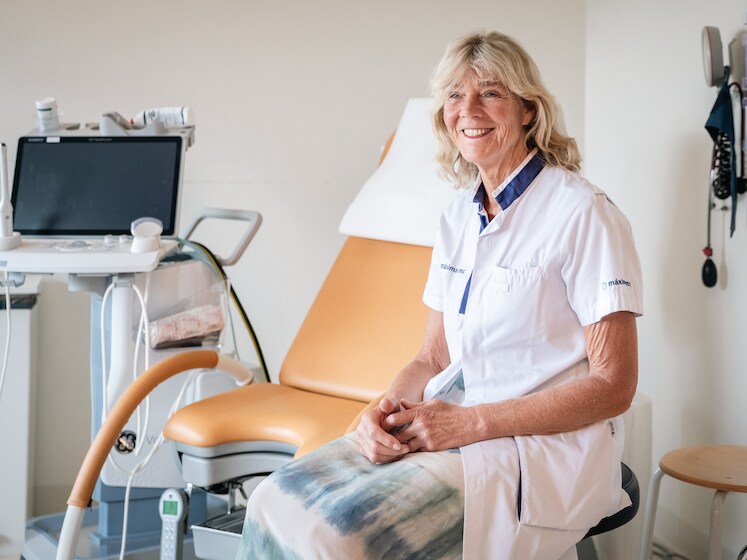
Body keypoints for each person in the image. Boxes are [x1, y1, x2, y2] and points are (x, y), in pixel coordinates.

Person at [236, 30, 642, 560]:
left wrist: (471, 423)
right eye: (455, 95)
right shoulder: (457, 217)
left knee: (337, 534)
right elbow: (433, 356)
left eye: (490, 92)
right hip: (451, 423)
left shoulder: (584, 213)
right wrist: (381, 411)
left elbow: (614, 385)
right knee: (270, 501)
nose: (468, 109)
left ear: (528, 110)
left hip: (538, 449)